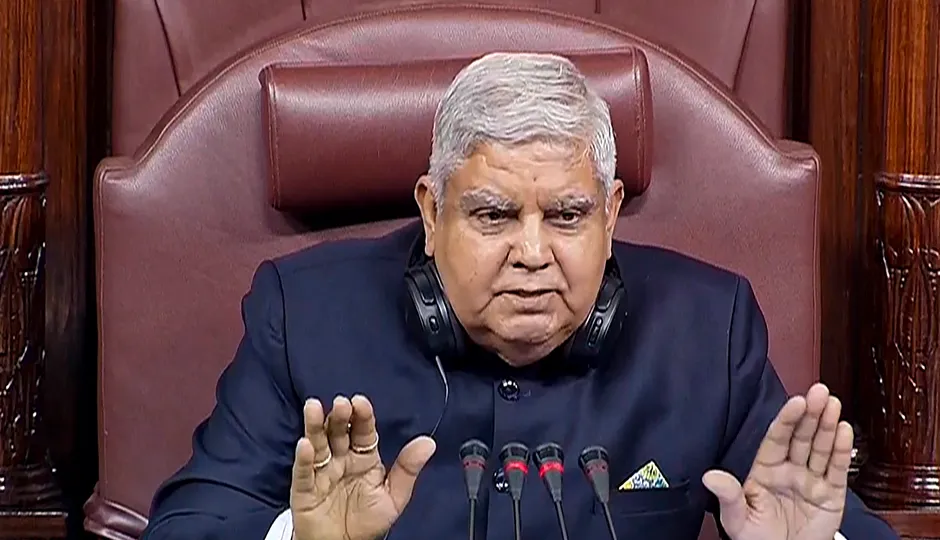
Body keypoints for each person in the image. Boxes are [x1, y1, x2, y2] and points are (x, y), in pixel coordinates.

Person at [141, 52, 899, 540]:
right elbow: (190, 527)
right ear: (431, 214)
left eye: (567, 215)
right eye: (494, 214)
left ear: (610, 215)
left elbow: (813, 516)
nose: (532, 254)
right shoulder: (306, 315)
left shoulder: (707, 329)